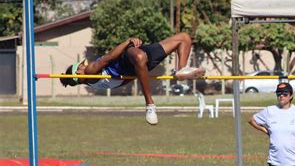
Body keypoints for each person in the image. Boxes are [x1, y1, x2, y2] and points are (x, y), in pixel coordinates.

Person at [60, 33, 205, 125]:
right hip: (127, 59)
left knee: (184, 38)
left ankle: (181, 70)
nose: (84, 64)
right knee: (139, 56)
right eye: (80, 66)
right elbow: (109, 57)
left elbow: (127, 80)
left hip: (140, 59)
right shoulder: (91, 72)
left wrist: (139, 70)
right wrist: (128, 42)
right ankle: (150, 105)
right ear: (78, 74)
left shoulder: (96, 84)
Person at [248, 82, 295, 166]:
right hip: (275, 163)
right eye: (279, 94)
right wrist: (265, 130)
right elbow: (252, 120)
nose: (281, 96)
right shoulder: (270, 111)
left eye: (285, 94)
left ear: (291, 96)